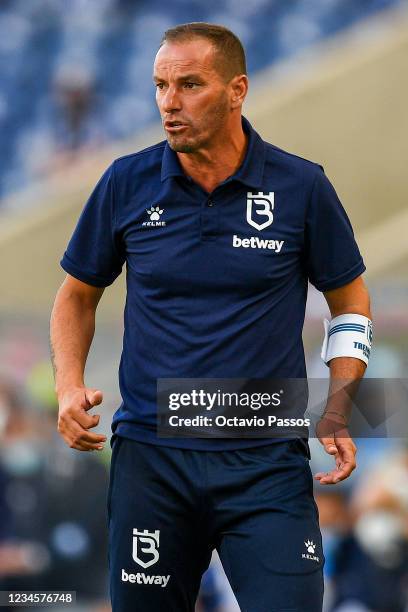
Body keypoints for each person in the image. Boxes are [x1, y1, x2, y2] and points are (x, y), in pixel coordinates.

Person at [50, 22, 372, 612]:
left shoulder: (301, 186)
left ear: (236, 90)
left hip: (265, 459)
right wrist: (68, 384)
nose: (169, 103)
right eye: (160, 86)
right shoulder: (126, 181)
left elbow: (349, 301)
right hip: (153, 457)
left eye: (189, 84)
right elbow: (76, 295)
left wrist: (340, 403)